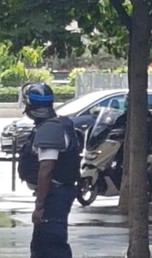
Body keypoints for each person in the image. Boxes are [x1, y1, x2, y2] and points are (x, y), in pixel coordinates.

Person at [17, 82, 80, 258]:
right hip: (56, 194)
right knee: (42, 246)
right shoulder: (55, 125)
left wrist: (39, 206)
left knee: (51, 245)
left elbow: (46, 170)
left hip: (54, 195)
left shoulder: (50, 129)